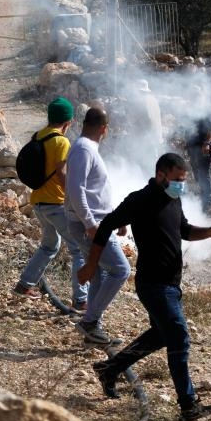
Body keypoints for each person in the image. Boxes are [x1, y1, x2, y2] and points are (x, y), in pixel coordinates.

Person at [81, 153, 211, 421]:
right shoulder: (140, 200)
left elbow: (183, 230)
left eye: (183, 180)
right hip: (153, 284)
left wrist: (208, 232)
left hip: (171, 284)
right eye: (177, 179)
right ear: (161, 175)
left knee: (161, 335)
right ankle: (188, 405)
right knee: (179, 336)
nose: (181, 184)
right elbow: (107, 225)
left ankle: (110, 369)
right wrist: (91, 265)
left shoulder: (173, 198)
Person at [12, 97, 88, 311]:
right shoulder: (62, 142)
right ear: (68, 122)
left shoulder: (39, 136)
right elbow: (62, 171)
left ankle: (25, 284)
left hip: (38, 202)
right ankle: (81, 300)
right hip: (56, 203)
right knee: (78, 250)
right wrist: (73, 196)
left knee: (49, 245)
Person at [65, 107, 131, 346]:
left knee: (101, 274)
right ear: (104, 128)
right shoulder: (84, 149)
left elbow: (95, 192)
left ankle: (93, 329)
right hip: (90, 225)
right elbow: (75, 189)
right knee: (120, 270)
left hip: (96, 222)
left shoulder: (86, 148)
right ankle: (89, 322)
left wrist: (116, 220)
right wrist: (91, 224)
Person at [187, 111, 211, 215]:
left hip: (202, 147)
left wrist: (207, 143)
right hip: (193, 147)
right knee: (197, 174)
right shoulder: (192, 109)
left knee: (204, 174)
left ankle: (208, 201)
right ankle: (202, 199)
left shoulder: (203, 107)